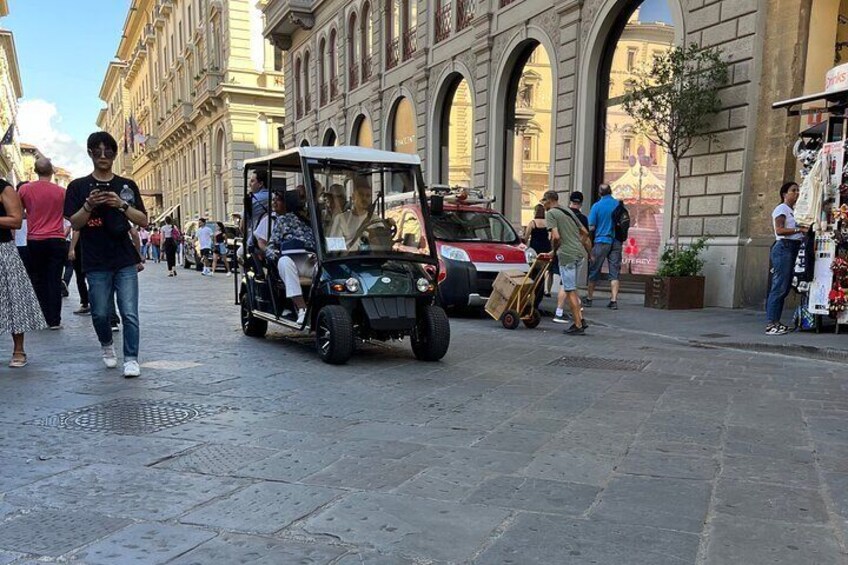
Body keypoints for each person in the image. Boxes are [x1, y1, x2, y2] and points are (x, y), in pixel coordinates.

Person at [64, 131, 149, 378]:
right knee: (100, 312)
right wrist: (89, 205)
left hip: (123, 258)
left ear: (113, 154)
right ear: (90, 153)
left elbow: (143, 220)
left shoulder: (126, 185)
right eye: (98, 151)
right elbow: (76, 223)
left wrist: (120, 204)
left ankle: (131, 358)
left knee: (129, 311)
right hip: (95, 259)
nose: (103, 156)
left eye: (108, 151)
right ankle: (106, 344)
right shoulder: (78, 187)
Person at [0, 179, 48, 367]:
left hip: (3, 250)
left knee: (14, 299)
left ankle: (18, 350)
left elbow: (16, 220)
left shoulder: (3, 188)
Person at [19, 157, 68, 330]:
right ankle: (54, 320)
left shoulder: (25, 189)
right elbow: (69, 215)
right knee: (54, 279)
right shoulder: (62, 192)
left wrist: (32, 214)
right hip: (56, 238)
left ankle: (40, 316)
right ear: (52, 171)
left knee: (38, 279)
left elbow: (19, 213)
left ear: (35, 171)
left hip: (34, 239)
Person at [542, 190, 589, 335]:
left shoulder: (551, 214)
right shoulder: (567, 211)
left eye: (544, 201)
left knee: (569, 291)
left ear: (549, 201)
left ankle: (578, 325)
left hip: (567, 255)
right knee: (573, 289)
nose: (543, 204)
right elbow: (585, 232)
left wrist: (554, 251)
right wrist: (577, 244)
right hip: (579, 254)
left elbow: (555, 237)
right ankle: (581, 319)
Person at [266, 193, 316, 325]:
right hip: (290, 260)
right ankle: (302, 309)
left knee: (322, 267)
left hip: (309, 259)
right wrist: (276, 255)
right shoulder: (282, 220)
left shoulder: (312, 220)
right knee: (284, 262)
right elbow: (271, 246)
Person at [765, 181, 808, 335]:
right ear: (784, 194)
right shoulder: (781, 209)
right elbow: (780, 229)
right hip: (784, 247)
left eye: (798, 190)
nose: (797, 193)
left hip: (792, 248)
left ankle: (777, 322)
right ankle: (771, 324)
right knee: (779, 287)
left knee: (784, 287)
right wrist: (799, 229)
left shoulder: (793, 210)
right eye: (793, 190)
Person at [586, 183, 622, 310]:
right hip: (616, 240)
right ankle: (613, 300)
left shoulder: (596, 206)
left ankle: (589, 298)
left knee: (594, 270)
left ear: (600, 193)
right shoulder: (618, 204)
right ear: (611, 191)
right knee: (614, 272)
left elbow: (591, 226)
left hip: (601, 240)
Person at [330, 181, 371, 247]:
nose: (364, 198)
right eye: (361, 195)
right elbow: (334, 246)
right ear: (353, 197)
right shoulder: (340, 218)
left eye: (368, 196)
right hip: (349, 257)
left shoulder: (376, 220)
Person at [524, 204, 553, 297]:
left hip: (535, 248)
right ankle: (542, 289)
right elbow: (551, 236)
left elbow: (526, 237)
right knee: (543, 270)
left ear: (535, 212)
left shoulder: (532, 223)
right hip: (546, 247)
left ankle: (534, 289)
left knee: (534, 270)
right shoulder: (547, 222)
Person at [68, 229, 90, 314]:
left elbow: (76, 231)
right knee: (91, 277)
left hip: (79, 249)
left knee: (80, 278)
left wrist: (71, 248)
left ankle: (85, 303)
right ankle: (88, 301)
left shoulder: (78, 219)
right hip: (89, 248)